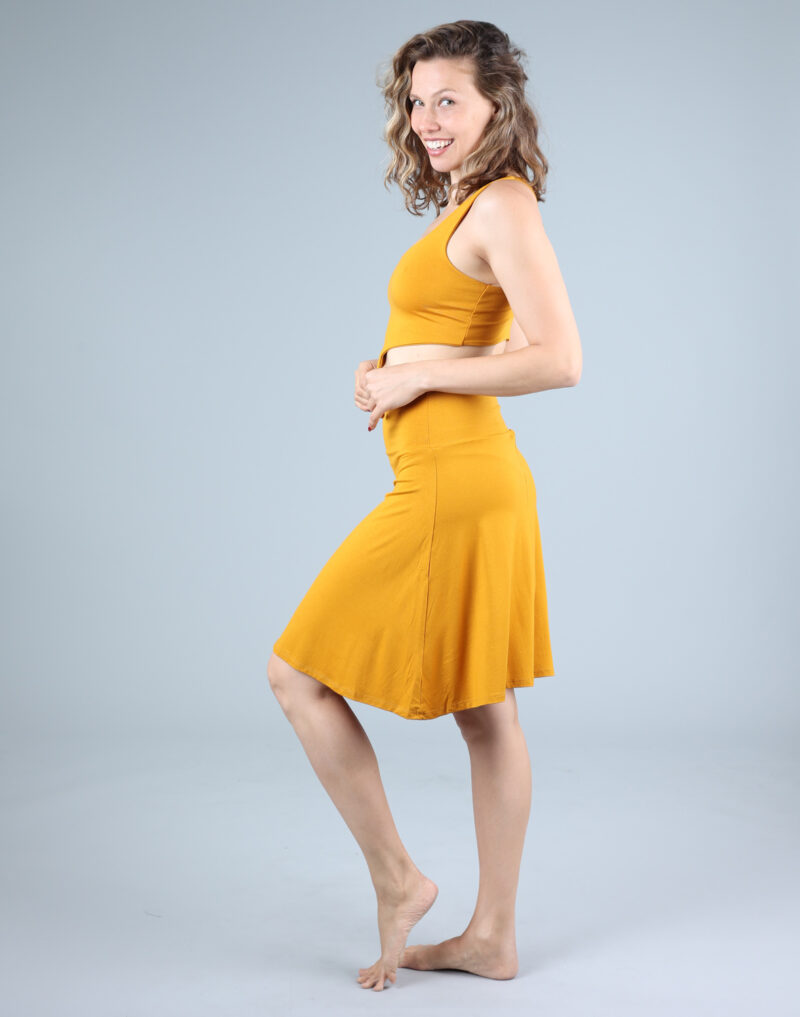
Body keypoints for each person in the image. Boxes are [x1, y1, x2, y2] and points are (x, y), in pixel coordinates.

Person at [267, 19, 582, 992]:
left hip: (454, 483)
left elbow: (560, 358)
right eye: (415, 101)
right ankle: (491, 937)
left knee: (295, 676)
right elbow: (490, 342)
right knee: (486, 714)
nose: (427, 119)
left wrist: (416, 376)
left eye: (448, 99)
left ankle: (400, 880)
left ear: (496, 105)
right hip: (461, 477)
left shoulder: (502, 204)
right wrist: (395, 366)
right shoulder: (472, 206)